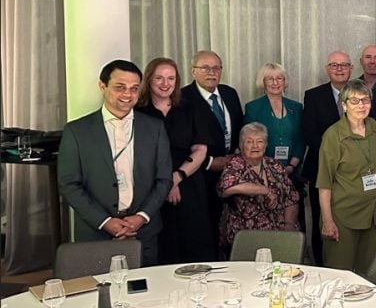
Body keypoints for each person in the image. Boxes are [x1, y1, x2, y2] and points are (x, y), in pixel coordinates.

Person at [57, 60, 172, 266]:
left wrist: (142, 216)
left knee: (145, 292)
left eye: (134, 89)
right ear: (103, 86)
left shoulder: (154, 128)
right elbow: (69, 184)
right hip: (96, 231)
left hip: (144, 230)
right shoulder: (77, 131)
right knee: (97, 293)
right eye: (120, 87)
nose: (128, 94)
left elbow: (163, 179)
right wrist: (105, 222)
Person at [135, 57, 217, 263]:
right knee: (163, 246)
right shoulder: (137, 111)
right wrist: (165, 183)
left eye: (171, 78)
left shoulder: (190, 107)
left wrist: (176, 178)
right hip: (151, 186)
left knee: (195, 243)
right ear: (148, 80)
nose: (165, 84)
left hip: (189, 182)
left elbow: (200, 149)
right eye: (159, 78)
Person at [318, 79, 376, 273]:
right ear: (344, 105)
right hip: (343, 218)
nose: (361, 105)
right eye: (354, 101)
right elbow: (324, 183)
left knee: (368, 276)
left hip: (375, 215)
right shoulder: (333, 135)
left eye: (365, 100)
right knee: (341, 275)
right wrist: (327, 221)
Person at [181, 50, 244, 249]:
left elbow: (238, 128)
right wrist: (209, 162)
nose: (211, 72)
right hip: (198, 174)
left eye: (216, 68)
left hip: (229, 171)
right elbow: (179, 142)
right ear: (193, 71)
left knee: (229, 226)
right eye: (205, 68)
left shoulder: (229, 93)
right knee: (204, 228)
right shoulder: (182, 98)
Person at [300, 50, 352, 264]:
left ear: (351, 69)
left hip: (353, 171)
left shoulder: (361, 92)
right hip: (321, 167)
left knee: (348, 221)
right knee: (323, 219)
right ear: (327, 69)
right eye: (334, 65)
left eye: (344, 65)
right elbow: (309, 133)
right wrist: (337, 154)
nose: (339, 69)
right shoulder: (314, 95)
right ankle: (321, 266)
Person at [217, 122, 300, 254]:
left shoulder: (275, 165)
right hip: (247, 238)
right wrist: (264, 190)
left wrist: (289, 225)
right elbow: (226, 188)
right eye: (249, 142)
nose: (255, 146)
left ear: (266, 145)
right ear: (241, 145)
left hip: (280, 236)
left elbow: (291, 198)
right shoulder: (235, 165)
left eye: (259, 141)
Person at [244, 63, 304, 187]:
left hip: (292, 171)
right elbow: (249, 142)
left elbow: (301, 139)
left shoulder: (296, 107)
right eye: (270, 79)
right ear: (263, 82)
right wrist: (266, 168)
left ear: (284, 81)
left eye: (279, 78)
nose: (275, 82)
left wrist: (292, 165)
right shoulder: (253, 107)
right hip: (262, 171)